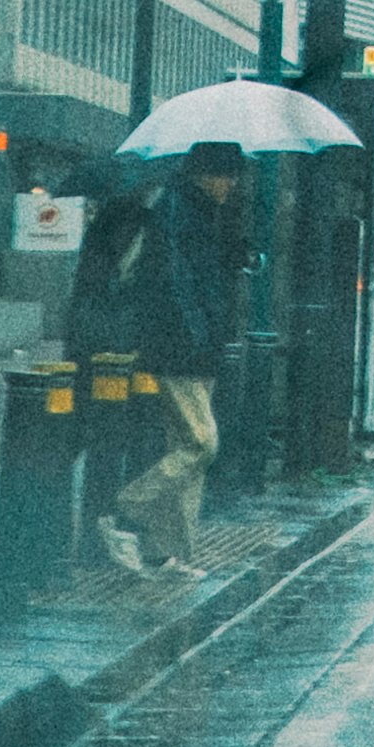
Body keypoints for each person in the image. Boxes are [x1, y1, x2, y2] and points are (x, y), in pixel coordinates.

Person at [67, 144, 240, 573]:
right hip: (179, 349)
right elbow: (177, 284)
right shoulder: (176, 212)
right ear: (205, 174)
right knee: (202, 444)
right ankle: (124, 512)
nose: (231, 184)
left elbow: (204, 278)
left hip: (200, 349)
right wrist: (199, 337)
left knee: (183, 449)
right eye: (226, 174)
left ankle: (170, 552)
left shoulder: (201, 213)